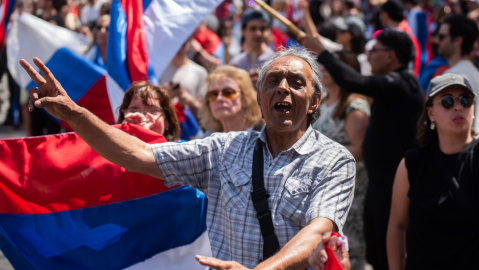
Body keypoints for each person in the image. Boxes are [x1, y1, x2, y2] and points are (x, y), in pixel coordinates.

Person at [20, 46, 355, 269]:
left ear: (314, 102)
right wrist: (75, 114)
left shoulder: (335, 160)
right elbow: (137, 154)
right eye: (273, 82)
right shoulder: (223, 148)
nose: (283, 88)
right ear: (260, 96)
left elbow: (317, 233)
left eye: (296, 83)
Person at [300, 29, 424, 270]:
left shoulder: (402, 83)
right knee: (375, 249)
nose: (369, 57)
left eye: (374, 51)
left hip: (394, 187)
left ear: (391, 56)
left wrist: (323, 54)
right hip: (379, 186)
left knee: (389, 251)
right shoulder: (391, 86)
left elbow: (354, 81)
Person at [386, 73, 479, 269]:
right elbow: (397, 226)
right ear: (430, 113)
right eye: (447, 101)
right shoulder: (412, 164)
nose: (458, 106)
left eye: (466, 100)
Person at [313, 50, 369, 270]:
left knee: (350, 244)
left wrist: (321, 153)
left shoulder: (355, 107)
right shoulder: (324, 101)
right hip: (325, 185)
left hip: (350, 188)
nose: (324, 69)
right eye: (324, 65)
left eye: (331, 65)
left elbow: (361, 149)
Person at [436, 14, 479, 132]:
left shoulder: (451, 77)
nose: (436, 41)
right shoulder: (473, 72)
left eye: (442, 37)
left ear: (457, 41)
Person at [199, 65, 263, 134]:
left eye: (228, 93)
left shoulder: (264, 134)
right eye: (213, 94)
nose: (219, 98)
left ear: (246, 99)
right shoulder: (208, 139)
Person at [230, 9, 275, 88]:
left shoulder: (275, 61)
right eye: (253, 28)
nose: (258, 33)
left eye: (262, 29)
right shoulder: (236, 63)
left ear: (268, 31)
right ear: (243, 31)